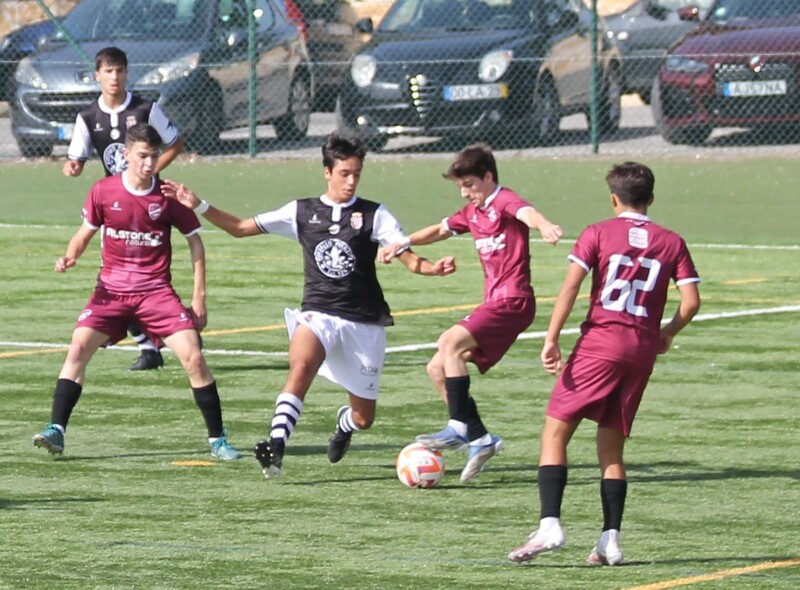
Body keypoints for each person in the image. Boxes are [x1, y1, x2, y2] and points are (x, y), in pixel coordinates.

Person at [161, 132, 456, 479]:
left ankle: (344, 425)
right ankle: (276, 446)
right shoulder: (301, 212)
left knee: (364, 418)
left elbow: (408, 259)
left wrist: (432, 268)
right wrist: (199, 205)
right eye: (344, 173)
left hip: (363, 322)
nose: (351, 180)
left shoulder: (374, 215)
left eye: (357, 173)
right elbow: (241, 228)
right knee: (300, 366)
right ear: (327, 172)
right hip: (318, 312)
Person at [507, 162, 701, 565]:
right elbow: (692, 302)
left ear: (613, 198)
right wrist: (668, 333)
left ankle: (550, 526)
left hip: (600, 344)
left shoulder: (597, 232)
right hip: (641, 350)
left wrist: (551, 337)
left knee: (554, 434)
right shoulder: (671, 240)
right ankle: (609, 540)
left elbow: (572, 286)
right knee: (611, 446)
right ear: (651, 198)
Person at [32, 123, 241, 462]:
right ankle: (57, 429)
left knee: (194, 356)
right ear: (125, 155)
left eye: (154, 156)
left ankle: (218, 439)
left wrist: (199, 297)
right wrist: (70, 255)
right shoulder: (103, 191)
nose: (149, 163)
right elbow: (84, 233)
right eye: (142, 156)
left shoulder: (169, 195)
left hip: (155, 293)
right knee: (78, 348)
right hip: (110, 292)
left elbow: (195, 244)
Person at [379, 143, 563, 484]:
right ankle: (480, 439)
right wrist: (401, 243)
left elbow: (527, 213)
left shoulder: (503, 200)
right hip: (495, 303)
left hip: (514, 300)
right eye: (461, 187)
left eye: (471, 186)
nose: (466, 193)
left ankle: (458, 426)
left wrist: (546, 225)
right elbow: (438, 229)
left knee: (448, 342)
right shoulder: (471, 213)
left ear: (488, 177)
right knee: (437, 367)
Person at [63, 46, 185, 371]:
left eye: (119, 71)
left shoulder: (146, 109)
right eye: (108, 71)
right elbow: (77, 155)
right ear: (97, 75)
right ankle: (150, 346)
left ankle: (165, 331)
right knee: (118, 278)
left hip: (147, 203)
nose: (114, 77)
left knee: (144, 276)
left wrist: (152, 172)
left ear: (127, 73)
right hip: (113, 207)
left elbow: (175, 143)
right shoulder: (88, 117)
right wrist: (73, 166)